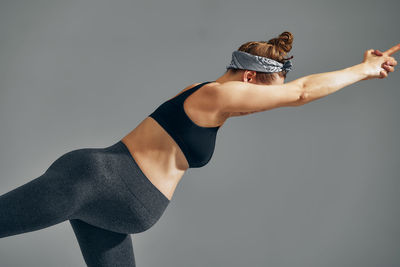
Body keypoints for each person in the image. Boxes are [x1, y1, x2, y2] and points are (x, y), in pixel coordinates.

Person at [0, 31, 398, 267]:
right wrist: (361, 70)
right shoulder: (214, 94)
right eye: (267, 93)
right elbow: (302, 93)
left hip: (112, 208)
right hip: (91, 184)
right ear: (248, 77)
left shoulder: (209, 100)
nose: (264, 104)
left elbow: (291, 94)